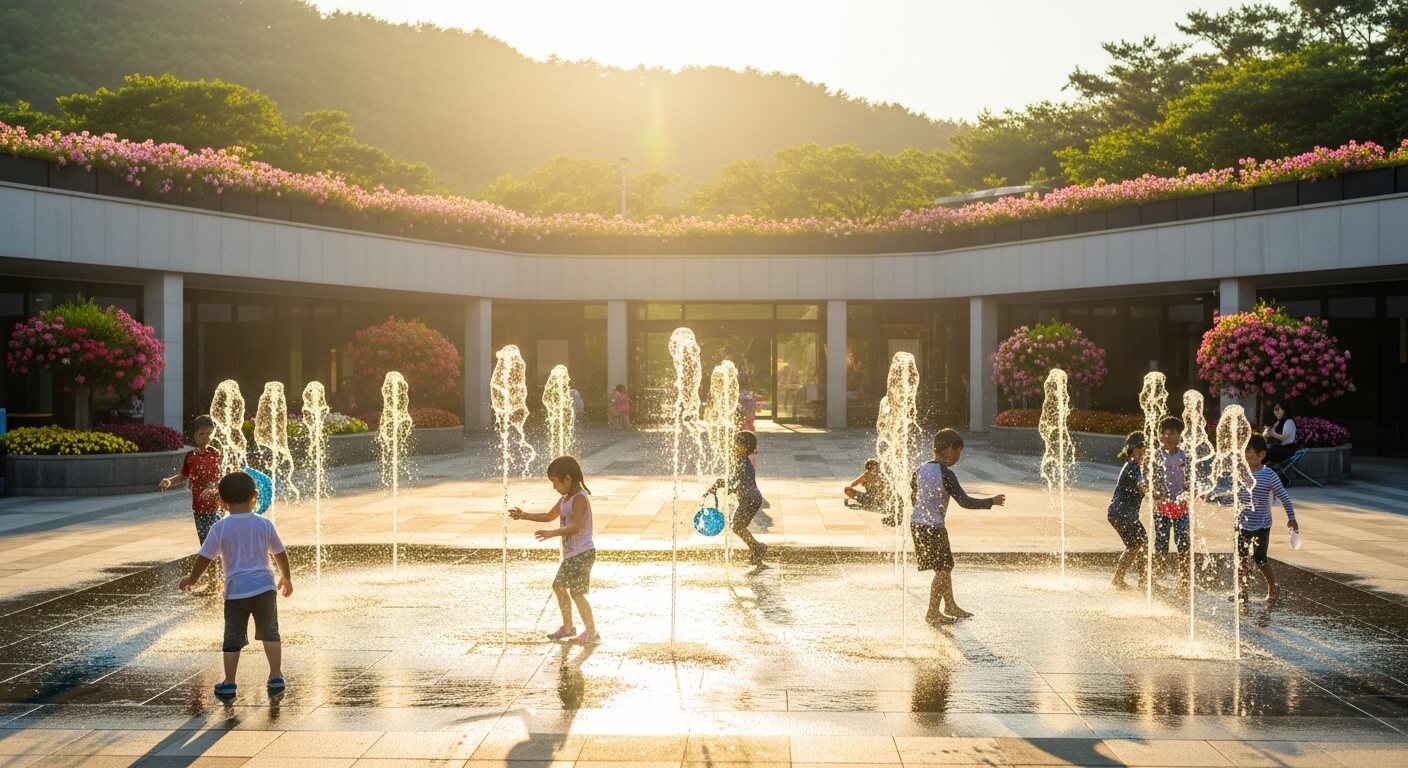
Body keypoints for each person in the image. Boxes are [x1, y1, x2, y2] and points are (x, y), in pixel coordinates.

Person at [178, 471, 293, 697]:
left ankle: (229, 682)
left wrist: (192, 579)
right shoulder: (264, 524)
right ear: (255, 496)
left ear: (222, 501)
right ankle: (276, 676)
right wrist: (286, 577)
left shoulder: (220, 528)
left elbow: (204, 557)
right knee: (270, 632)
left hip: (236, 592)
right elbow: (280, 552)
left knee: (232, 636)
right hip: (264, 588)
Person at [911, 429, 1006, 624]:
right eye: (958, 451)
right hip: (933, 526)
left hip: (917, 524)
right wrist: (991, 501)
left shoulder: (920, 469)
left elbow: (914, 496)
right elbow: (965, 502)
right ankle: (933, 612)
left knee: (944, 567)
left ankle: (950, 605)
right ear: (949, 449)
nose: (958, 457)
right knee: (943, 568)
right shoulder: (946, 474)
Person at [510, 456, 600, 644]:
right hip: (573, 554)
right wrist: (524, 515)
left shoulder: (579, 499)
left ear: (567, 479)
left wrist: (552, 533)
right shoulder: (565, 499)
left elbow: (575, 527)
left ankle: (592, 632)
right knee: (558, 586)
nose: (554, 487)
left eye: (555, 482)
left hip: (583, 553)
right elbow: (549, 516)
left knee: (576, 593)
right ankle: (568, 627)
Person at [1232, 435, 1300, 603]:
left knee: (1260, 559)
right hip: (1241, 524)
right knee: (1241, 559)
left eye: (1249, 451)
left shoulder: (1269, 475)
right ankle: (1242, 591)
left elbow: (1284, 497)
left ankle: (1272, 587)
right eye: (1243, 450)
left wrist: (1292, 518)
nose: (1245, 454)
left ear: (1261, 454)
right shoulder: (1240, 472)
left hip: (1261, 525)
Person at [159, 415, 224, 544]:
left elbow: (221, 478)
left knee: (217, 540)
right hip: (198, 508)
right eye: (201, 434)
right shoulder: (190, 457)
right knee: (204, 541)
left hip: (217, 506)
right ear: (194, 436)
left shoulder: (216, 454)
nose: (206, 437)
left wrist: (211, 489)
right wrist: (169, 481)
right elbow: (183, 476)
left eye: (209, 433)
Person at [708, 431, 768, 566]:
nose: (734, 447)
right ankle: (756, 548)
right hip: (750, 499)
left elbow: (738, 482)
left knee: (737, 526)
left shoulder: (743, 463)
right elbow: (735, 481)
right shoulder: (740, 461)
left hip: (750, 499)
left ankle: (757, 547)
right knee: (738, 526)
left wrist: (725, 486)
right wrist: (721, 484)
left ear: (745, 448)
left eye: (737, 445)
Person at [1151, 416, 1192, 591]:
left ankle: (1184, 578)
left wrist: (1187, 493)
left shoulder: (1185, 456)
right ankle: (1157, 574)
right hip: (1162, 507)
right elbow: (1151, 480)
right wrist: (1159, 494)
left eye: (1172, 433)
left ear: (1180, 436)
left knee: (1183, 543)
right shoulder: (1155, 456)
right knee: (1161, 542)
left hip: (1181, 507)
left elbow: (1190, 480)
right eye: (1164, 433)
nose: (1167, 436)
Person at [1108, 432, 1150, 590]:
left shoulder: (1133, 465)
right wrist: (1156, 493)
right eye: (1139, 450)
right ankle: (1142, 581)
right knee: (1140, 543)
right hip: (1122, 514)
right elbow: (1141, 485)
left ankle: (1120, 579)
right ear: (1131, 450)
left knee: (1135, 545)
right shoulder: (1133, 465)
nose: (1142, 454)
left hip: (1119, 513)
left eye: (1144, 451)